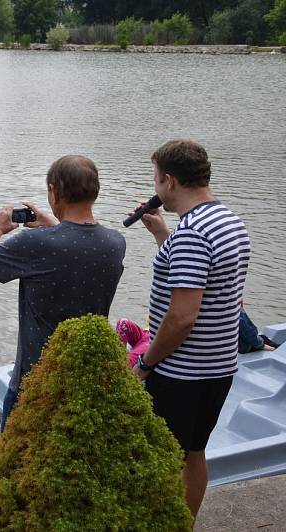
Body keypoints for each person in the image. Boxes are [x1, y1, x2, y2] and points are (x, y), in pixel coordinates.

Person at [130, 139, 251, 521]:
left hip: (182, 373)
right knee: (194, 451)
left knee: (162, 458)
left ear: (169, 180)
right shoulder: (228, 221)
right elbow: (209, 282)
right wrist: (162, 236)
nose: (155, 188)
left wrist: (146, 363)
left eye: (155, 179)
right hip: (220, 366)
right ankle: (184, 524)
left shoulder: (192, 234)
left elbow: (182, 317)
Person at [0, 155, 126, 431]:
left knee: (15, 466)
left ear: (53, 192)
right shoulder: (115, 243)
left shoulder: (35, 243)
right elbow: (79, 245)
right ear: (95, 191)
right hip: (87, 376)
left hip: (36, 381)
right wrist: (55, 225)